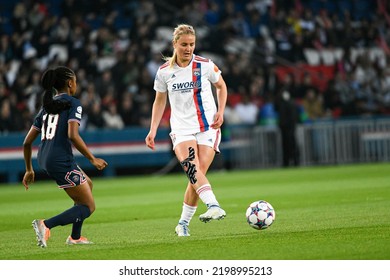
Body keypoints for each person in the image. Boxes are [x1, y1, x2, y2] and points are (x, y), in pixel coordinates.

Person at [145, 24, 228, 237]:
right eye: (184, 44)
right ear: (174, 44)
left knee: (197, 175)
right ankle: (213, 205)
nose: (188, 48)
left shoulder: (206, 65)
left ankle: (182, 223)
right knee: (192, 169)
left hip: (207, 127)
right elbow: (159, 101)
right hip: (181, 129)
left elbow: (222, 86)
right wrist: (152, 130)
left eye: (191, 44)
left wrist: (221, 111)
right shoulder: (164, 72)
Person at [22, 66, 108, 247]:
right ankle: (45, 225)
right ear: (70, 83)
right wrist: (92, 158)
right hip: (60, 160)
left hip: (44, 157)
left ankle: (75, 237)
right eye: (75, 81)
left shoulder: (46, 107)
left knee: (87, 185)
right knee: (88, 207)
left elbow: (27, 142)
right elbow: (73, 135)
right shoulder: (73, 103)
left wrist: (29, 169)